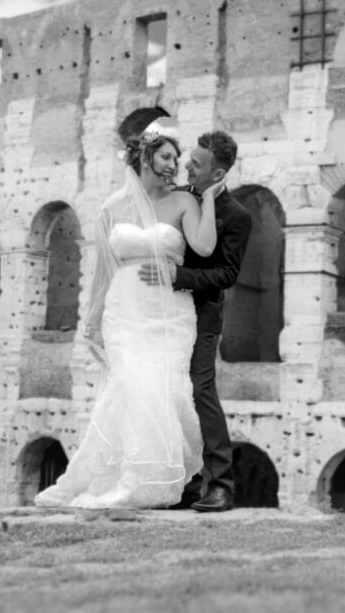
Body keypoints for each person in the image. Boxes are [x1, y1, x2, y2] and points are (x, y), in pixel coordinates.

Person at [34, 131, 222, 509]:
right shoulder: (111, 208)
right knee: (129, 386)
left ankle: (151, 480)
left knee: (166, 390)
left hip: (169, 311)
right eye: (167, 157)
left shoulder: (185, 201)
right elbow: (104, 269)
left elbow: (204, 247)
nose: (174, 165)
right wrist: (93, 319)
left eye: (176, 158)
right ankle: (126, 477)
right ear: (145, 158)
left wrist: (212, 201)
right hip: (125, 308)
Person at [141, 130, 251, 512]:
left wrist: (180, 278)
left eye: (197, 164)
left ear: (218, 173)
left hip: (203, 313)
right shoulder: (179, 196)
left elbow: (227, 274)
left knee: (201, 390)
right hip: (162, 311)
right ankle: (183, 485)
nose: (188, 165)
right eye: (190, 158)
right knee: (167, 391)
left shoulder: (237, 215)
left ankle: (220, 485)